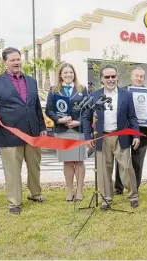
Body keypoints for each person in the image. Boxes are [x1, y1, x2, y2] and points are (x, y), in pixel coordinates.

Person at [0, 47, 47, 214]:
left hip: (32, 133)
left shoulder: (31, 81)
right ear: (5, 62)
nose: (17, 62)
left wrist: (42, 127)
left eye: (18, 59)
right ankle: (14, 202)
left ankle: (35, 194)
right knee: (12, 170)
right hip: (9, 134)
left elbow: (36, 106)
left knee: (34, 166)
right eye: (12, 60)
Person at [82, 64, 140, 209]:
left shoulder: (126, 95)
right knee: (104, 170)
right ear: (102, 79)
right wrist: (88, 137)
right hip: (102, 138)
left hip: (121, 137)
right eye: (107, 77)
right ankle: (106, 199)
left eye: (113, 76)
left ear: (117, 78)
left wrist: (136, 136)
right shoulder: (94, 95)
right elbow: (86, 118)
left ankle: (133, 195)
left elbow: (132, 117)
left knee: (127, 168)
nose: (110, 79)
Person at [45, 63, 88, 202]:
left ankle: (80, 191)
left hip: (78, 130)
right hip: (62, 131)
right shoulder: (54, 90)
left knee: (79, 161)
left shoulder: (82, 89)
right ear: (60, 75)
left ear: (74, 74)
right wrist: (59, 119)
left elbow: (88, 109)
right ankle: (70, 191)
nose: (69, 75)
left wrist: (79, 121)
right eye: (66, 73)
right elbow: (49, 110)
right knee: (68, 162)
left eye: (71, 72)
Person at [114, 67, 147, 194]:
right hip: (124, 130)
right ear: (131, 77)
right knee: (120, 159)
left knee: (137, 161)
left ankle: (135, 187)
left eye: (141, 76)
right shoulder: (122, 92)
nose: (138, 78)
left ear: (144, 78)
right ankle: (118, 188)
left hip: (142, 131)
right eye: (136, 76)